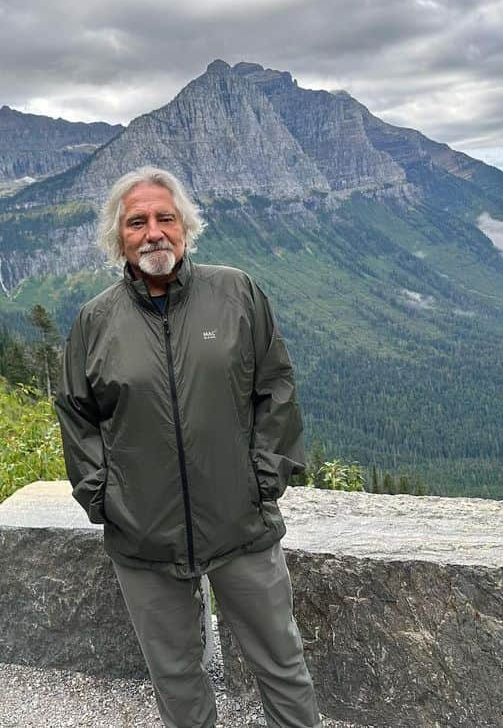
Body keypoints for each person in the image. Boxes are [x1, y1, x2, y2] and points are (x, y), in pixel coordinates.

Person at [54, 166, 321, 728]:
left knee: (280, 663)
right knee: (175, 677)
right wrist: (104, 501)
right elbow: (77, 417)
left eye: (165, 218)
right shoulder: (94, 322)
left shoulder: (237, 293)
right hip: (143, 535)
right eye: (137, 223)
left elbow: (276, 386)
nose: (153, 232)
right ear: (118, 238)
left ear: (185, 228)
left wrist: (263, 480)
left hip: (241, 524)